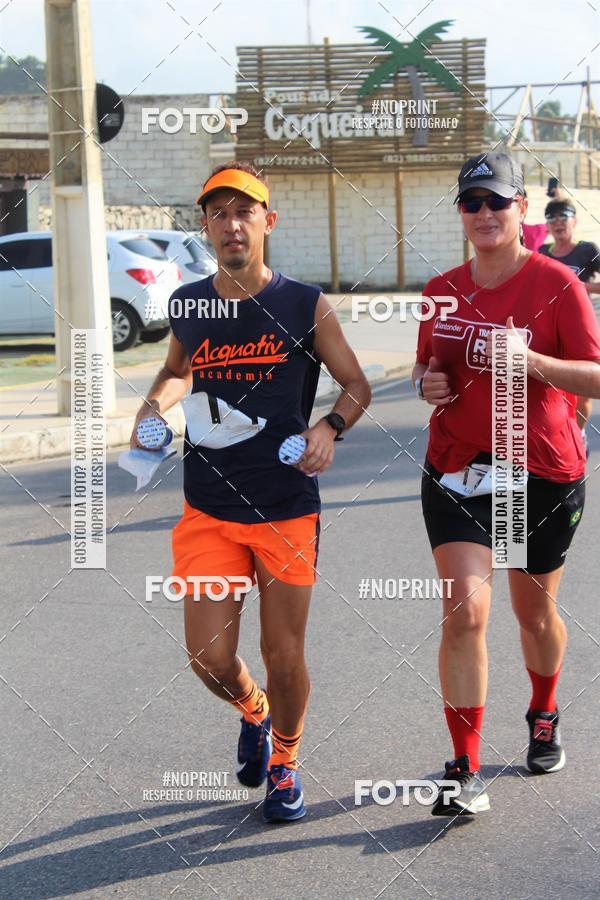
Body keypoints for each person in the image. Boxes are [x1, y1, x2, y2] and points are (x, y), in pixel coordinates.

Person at [131, 162, 371, 823]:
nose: (232, 223)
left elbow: (356, 384)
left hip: (286, 507)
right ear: (205, 225)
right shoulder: (189, 305)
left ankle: (286, 760)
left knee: (282, 651)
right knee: (208, 659)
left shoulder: (304, 303)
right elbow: (175, 371)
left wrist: (330, 426)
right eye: (218, 212)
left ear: (268, 222)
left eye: (245, 211)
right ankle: (255, 712)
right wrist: (153, 405)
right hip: (208, 503)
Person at [412, 152, 600, 816]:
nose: (485, 214)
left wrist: (537, 362)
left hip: (538, 474)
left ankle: (544, 711)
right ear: (461, 213)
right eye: (472, 203)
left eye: (497, 201)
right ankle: (463, 769)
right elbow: (428, 372)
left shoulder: (559, 284)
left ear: (523, 208)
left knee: (532, 614)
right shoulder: (441, 288)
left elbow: (595, 378)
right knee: (466, 609)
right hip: (459, 469)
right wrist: (429, 383)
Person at [539, 198, 600, 452]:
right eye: (552, 218)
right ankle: (553, 440)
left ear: (574, 221)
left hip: (579, 332)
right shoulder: (541, 254)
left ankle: (579, 432)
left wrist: (581, 287)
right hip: (548, 331)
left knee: (581, 393)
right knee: (547, 391)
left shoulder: (587, 251)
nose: (558, 222)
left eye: (564, 216)